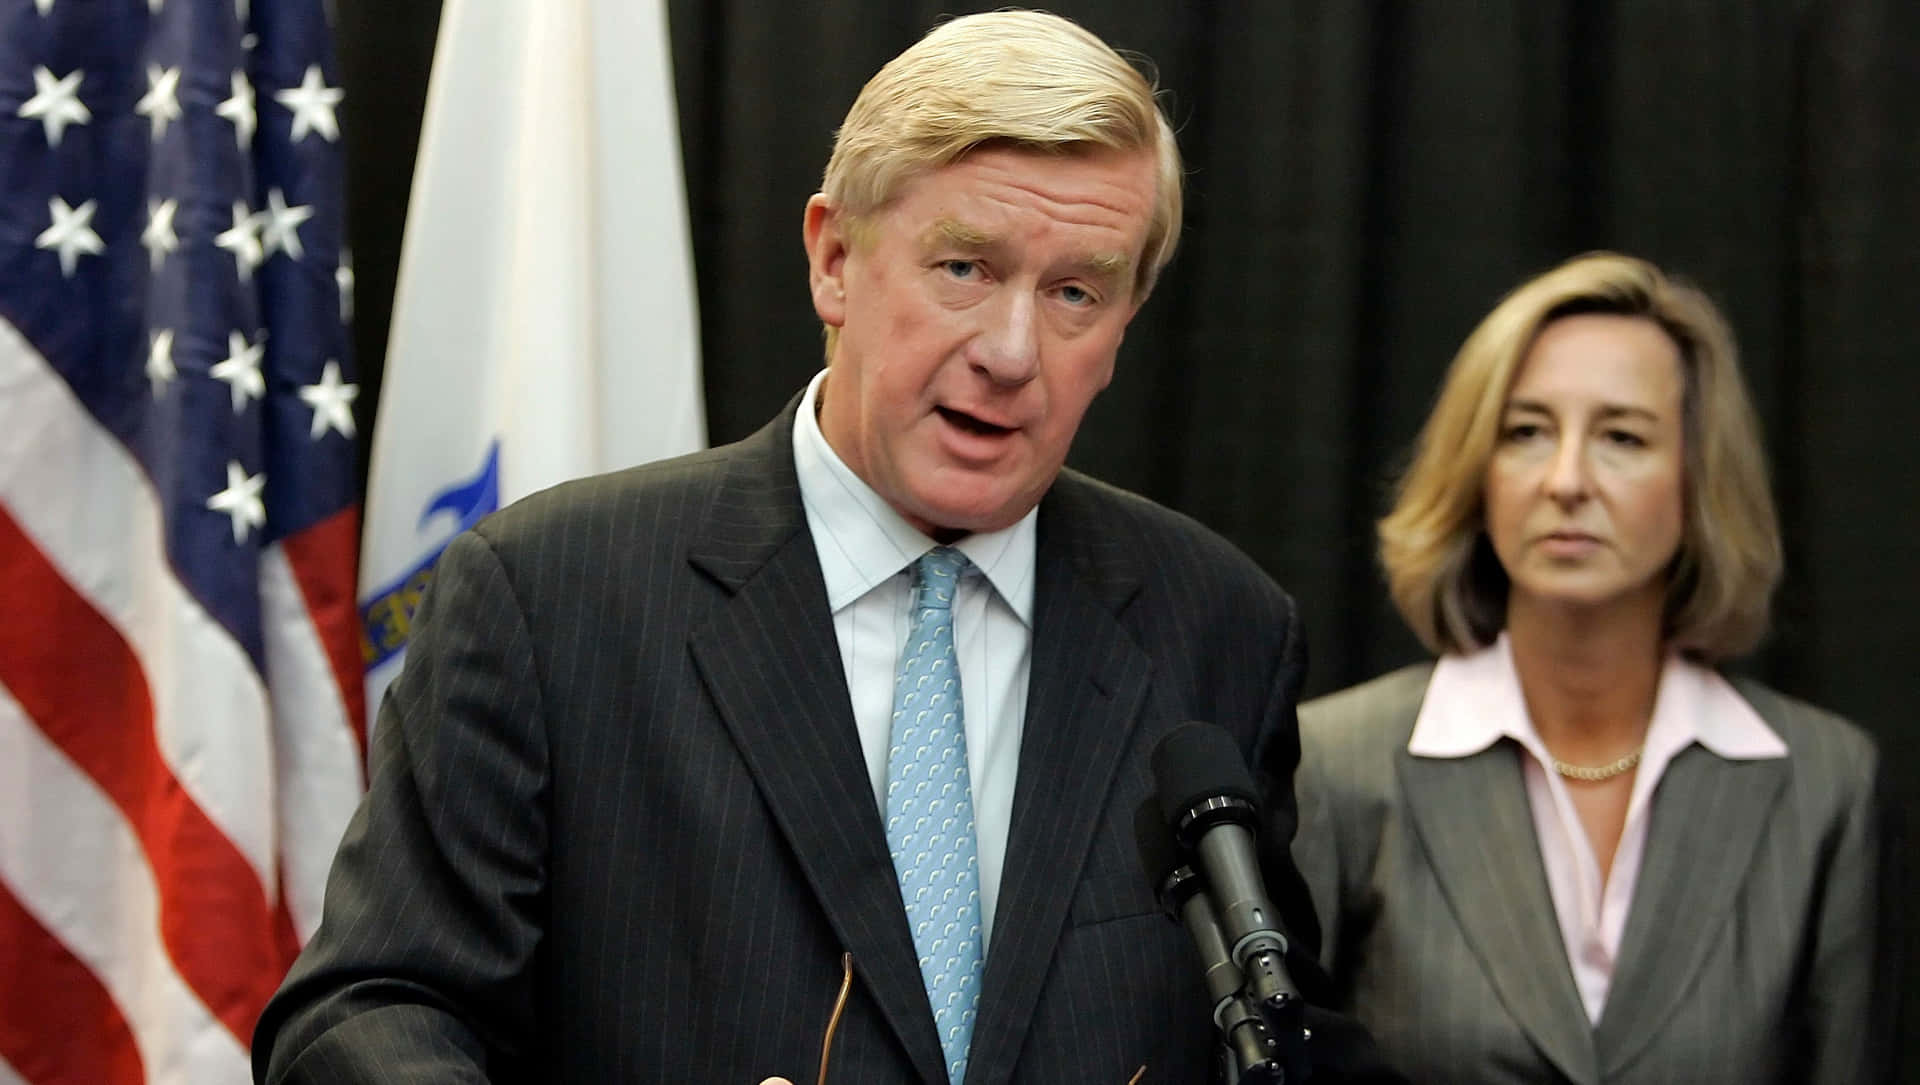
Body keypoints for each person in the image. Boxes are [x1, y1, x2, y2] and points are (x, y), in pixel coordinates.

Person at [255, 12, 1397, 1084]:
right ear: (835, 260)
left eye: (1074, 293)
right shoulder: (552, 594)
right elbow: (369, 1009)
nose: (1012, 350)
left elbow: (1266, 1021)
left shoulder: (1217, 626)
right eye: (966, 268)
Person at [1292, 252, 1898, 1083]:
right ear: (1479, 471)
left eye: (1621, 437)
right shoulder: (1335, 762)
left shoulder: (1825, 784)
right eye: (1526, 431)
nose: (1567, 480)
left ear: (1698, 479)